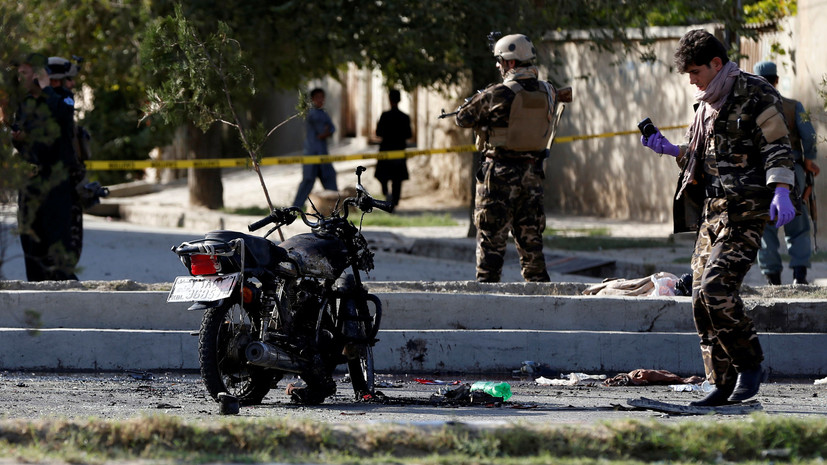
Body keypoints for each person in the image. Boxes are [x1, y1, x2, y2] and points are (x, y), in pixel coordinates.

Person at [641, 30, 796, 406]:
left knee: (716, 288)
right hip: (713, 211)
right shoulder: (707, 101)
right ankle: (721, 382)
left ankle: (749, 364)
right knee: (697, 296)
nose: (691, 80)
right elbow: (703, 158)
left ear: (716, 63)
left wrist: (781, 189)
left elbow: (777, 145)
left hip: (746, 209)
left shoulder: (756, 93)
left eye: (695, 71)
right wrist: (671, 149)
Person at [455, 33, 560, 283]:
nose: (498, 66)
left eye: (500, 61)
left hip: (499, 178)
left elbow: (463, 118)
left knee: (491, 246)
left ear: (511, 63)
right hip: (532, 176)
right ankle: (543, 307)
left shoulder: (498, 94)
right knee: (532, 246)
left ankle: (486, 308)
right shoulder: (549, 91)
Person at [11, 53, 80, 281]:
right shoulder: (23, 102)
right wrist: (17, 139)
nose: (20, 77)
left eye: (24, 72)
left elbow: (63, 116)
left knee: (57, 241)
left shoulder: (63, 98)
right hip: (30, 182)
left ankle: (66, 292)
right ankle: (37, 290)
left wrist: (45, 87)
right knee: (30, 242)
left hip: (55, 183)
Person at [753, 61, 819, 285]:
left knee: (765, 225)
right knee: (798, 224)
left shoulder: (750, 107)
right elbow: (809, 135)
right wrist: (809, 159)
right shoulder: (794, 106)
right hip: (793, 170)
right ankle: (799, 276)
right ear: (777, 80)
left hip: (761, 172)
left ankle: (772, 278)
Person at [292, 88, 337, 208]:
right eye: (317, 97)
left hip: (322, 153)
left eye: (322, 97)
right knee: (308, 180)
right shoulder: (310, 113)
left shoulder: (323, 113)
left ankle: (337, 207)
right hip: (311, 153)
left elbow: (331, 129)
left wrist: (326, 132)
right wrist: (325, 131)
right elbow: (323, 130)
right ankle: (296, 208)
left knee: (329, 177)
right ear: (312, 99)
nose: (320, 100)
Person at [374, 89, 412, 211]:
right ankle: (394, 203)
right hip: (399, 150)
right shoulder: (404, 117)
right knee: (397, 179)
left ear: (389, 100)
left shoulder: (385, 116)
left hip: (386, 150)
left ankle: (386, 194)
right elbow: (409, 134)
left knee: (383, 176)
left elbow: (378, 132)